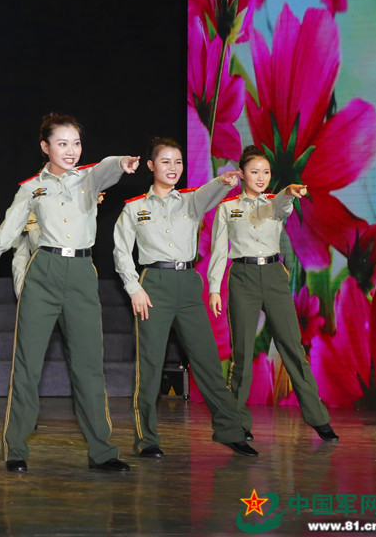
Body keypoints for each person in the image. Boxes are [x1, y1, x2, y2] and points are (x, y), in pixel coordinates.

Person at [0, 113, 137, 473]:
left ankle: (102, 451)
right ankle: (17, 448)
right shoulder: (30, 188)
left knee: (89, 367)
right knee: (27, 366)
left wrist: (123, 163)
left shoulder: (88, 178)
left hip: (83, 274)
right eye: (62, 143)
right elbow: (4, 236)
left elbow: (106, 168)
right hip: (43, 273)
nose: (70, 150)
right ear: (45, 147)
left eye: (76, 143)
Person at [112, 137, 257, 458]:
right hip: (154, 286)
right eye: (165, 162)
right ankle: (147, 440)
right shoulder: (135, 207)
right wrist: (134, 288)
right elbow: (121, 252)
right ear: (151, 166)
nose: (173, 168)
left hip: (189, 285)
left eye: (178, 162)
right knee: (150, 367)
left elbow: (211, 191)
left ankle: (230, 431)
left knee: (207, 362)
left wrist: (224, 181)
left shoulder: (190, 201)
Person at [207, 145, 338, 443]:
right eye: (254, 172)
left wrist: (289, 192)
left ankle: (318, 418)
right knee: (241, 352)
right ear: (241, 174)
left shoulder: (275, 203)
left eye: (266, 172)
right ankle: (238, 421)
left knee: (292, 347)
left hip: (275, 276)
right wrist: (214, 288)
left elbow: (276, 208)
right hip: (242, 277)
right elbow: (218, 252)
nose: (261, 177)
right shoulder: (227, 208)